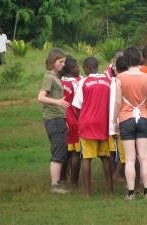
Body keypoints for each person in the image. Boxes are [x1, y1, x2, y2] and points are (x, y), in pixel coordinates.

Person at [113, 46, 147, 200]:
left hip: (126, 118)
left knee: (129, 158)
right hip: (143, 117)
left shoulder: (120, 78)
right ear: (139, 59)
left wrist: (114, 120)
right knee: (144, 157)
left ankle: (131, 192)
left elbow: (118, 103)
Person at [72, 57, 113, 197]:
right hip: (104, 125)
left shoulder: (83, 82)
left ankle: (87, 193)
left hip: (87, 125)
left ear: (88, 68)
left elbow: (78, 106)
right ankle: (110, 191)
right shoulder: (109, 81)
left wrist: (80, 123)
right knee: (105, 158)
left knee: (86, 158)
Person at [37, 48, 70, 194]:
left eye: (63, 62)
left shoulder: (54, 77)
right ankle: (55, 185)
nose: (63, 65)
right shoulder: (49, 77)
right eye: (60, 62)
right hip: (53, 118)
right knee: (58, 150)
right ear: (52, 61)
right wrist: (57, 102)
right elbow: (40, 97)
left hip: (58, 118)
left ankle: (57, 182)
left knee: (60, 148)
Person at [60, 56, 81, 188]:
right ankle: (74, 182)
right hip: (76, 120)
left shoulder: (59, 81)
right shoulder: (77, 83)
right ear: (72, 69)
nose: (79, 68)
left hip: (64, 120)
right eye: (77, 66)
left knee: (65, 152)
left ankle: (62, 178)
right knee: (76, 153)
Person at [109, 56, 128, 182]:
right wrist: (113, 124)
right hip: (119, 121)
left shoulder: (117, 81)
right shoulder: (116, 82)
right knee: (123, 153)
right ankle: (116, 173)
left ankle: (118, 173)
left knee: (124, 152)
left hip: (122, 119)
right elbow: (114, 104)